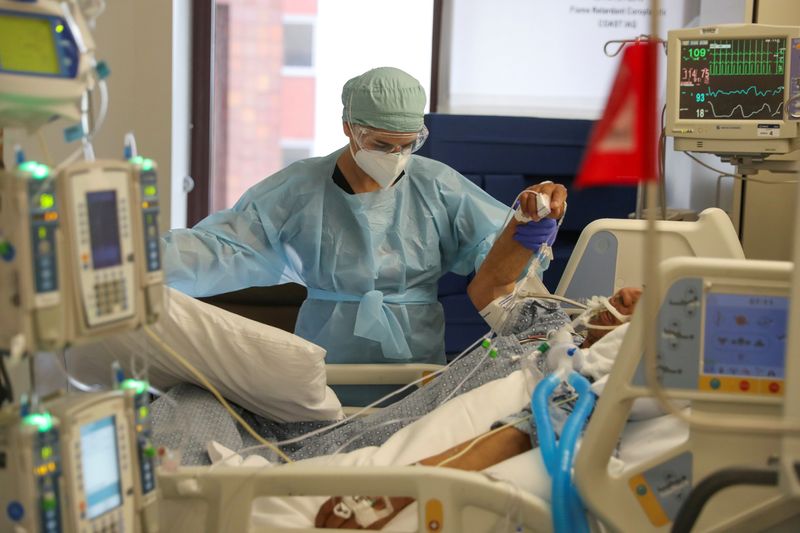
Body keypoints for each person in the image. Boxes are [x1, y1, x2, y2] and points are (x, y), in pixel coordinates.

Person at [162, 66, 567, 366]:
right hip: (326, 358)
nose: (395, 157)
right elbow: (222, 248)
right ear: (348, 128)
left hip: (415, 361)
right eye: (381, 144)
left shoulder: (437, 186)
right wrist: (138, 260)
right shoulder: (298, 190)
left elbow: (498, 259)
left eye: (407, 145)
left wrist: (531, 219)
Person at [313, 286, 643, 530]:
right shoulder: (550, 324)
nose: (626, 294)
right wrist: (524, 220)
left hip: (390, 460)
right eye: (640, 285)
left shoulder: (593, 389)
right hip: (356, 436)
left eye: (650, 302)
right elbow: (493, 286)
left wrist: (400, 490)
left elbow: (540, 426)